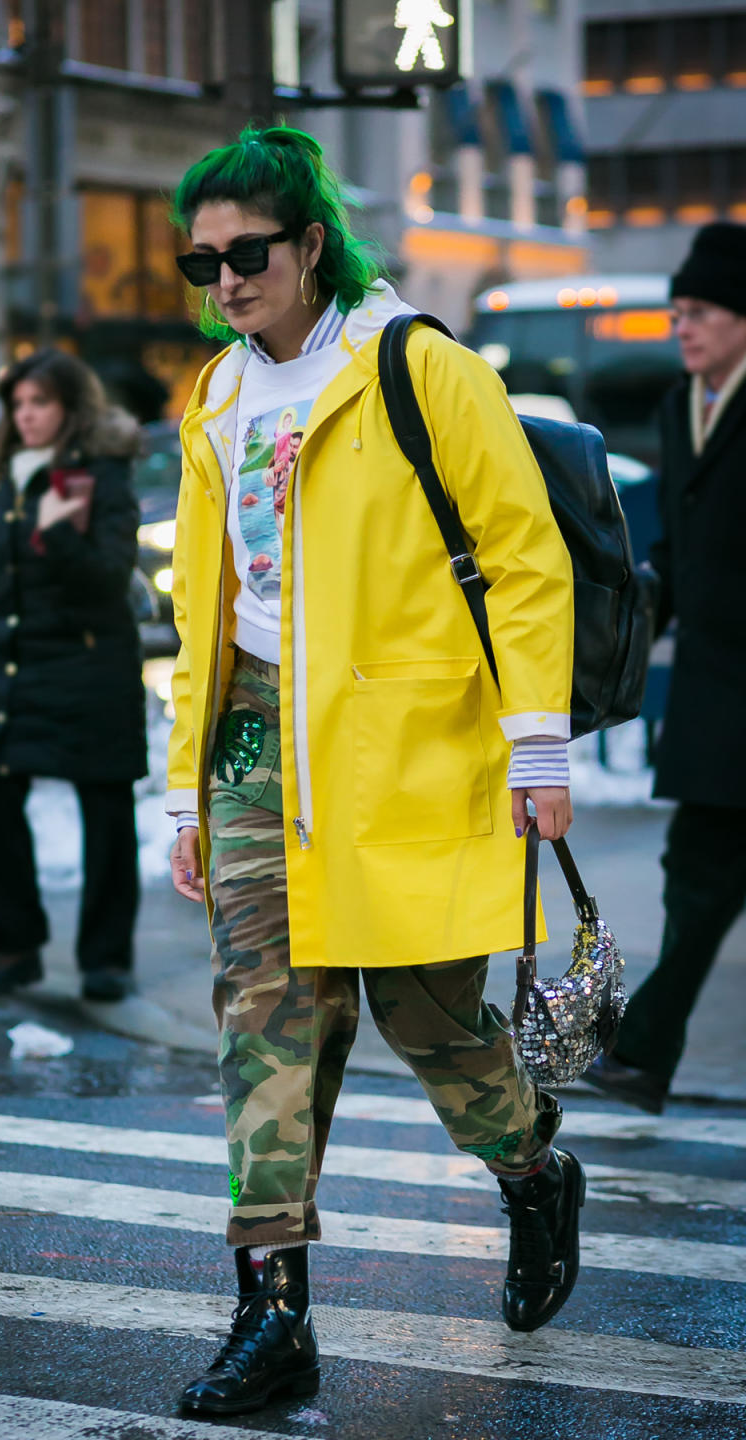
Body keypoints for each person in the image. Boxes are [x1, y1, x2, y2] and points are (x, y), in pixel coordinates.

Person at [164, 125, 584, 1419]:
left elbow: (522, 558)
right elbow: (205, 606)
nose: (226, 279)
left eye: (247, 252)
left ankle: (530, 1171)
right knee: (266, 1024)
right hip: (256, 745)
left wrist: (540, 746)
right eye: (201, 259)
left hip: (403, 748)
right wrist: (185, 787)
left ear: (309, 244)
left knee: (427, 1020)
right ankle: (271, 1315)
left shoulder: (415, 366)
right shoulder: (217, 398)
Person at [584, 222, 746, 1115]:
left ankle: (645, 1054)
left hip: (733, 702)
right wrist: (625, 632)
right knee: (697, 872)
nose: (684, 327)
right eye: (678, 311)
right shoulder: (688, 406)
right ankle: (644, 1056)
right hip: (717, 701)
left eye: (705, 311)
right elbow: (677, 561)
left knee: (701, 873)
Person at [0, 349, 147, 1002]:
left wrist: (57, 521)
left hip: (87, 667)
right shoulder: (6, 473)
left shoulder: (97, 473)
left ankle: (106, 960)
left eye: (41, 403)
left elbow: (104, 575)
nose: (27, 415)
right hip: (11, 667)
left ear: (69, 408)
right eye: (19, 405)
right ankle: (12, 950)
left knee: (106, 810)